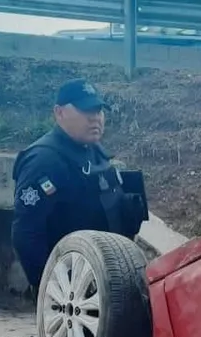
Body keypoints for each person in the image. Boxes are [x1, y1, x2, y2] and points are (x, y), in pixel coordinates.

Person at [11, 77, 148, 292]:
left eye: (99, 111)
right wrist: (52, 289)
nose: (95, 119)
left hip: (107, 278)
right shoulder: (44, 161)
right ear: (59, 112)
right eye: (86, 112)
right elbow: (26, 232)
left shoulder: (94, 151)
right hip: (73, 288)